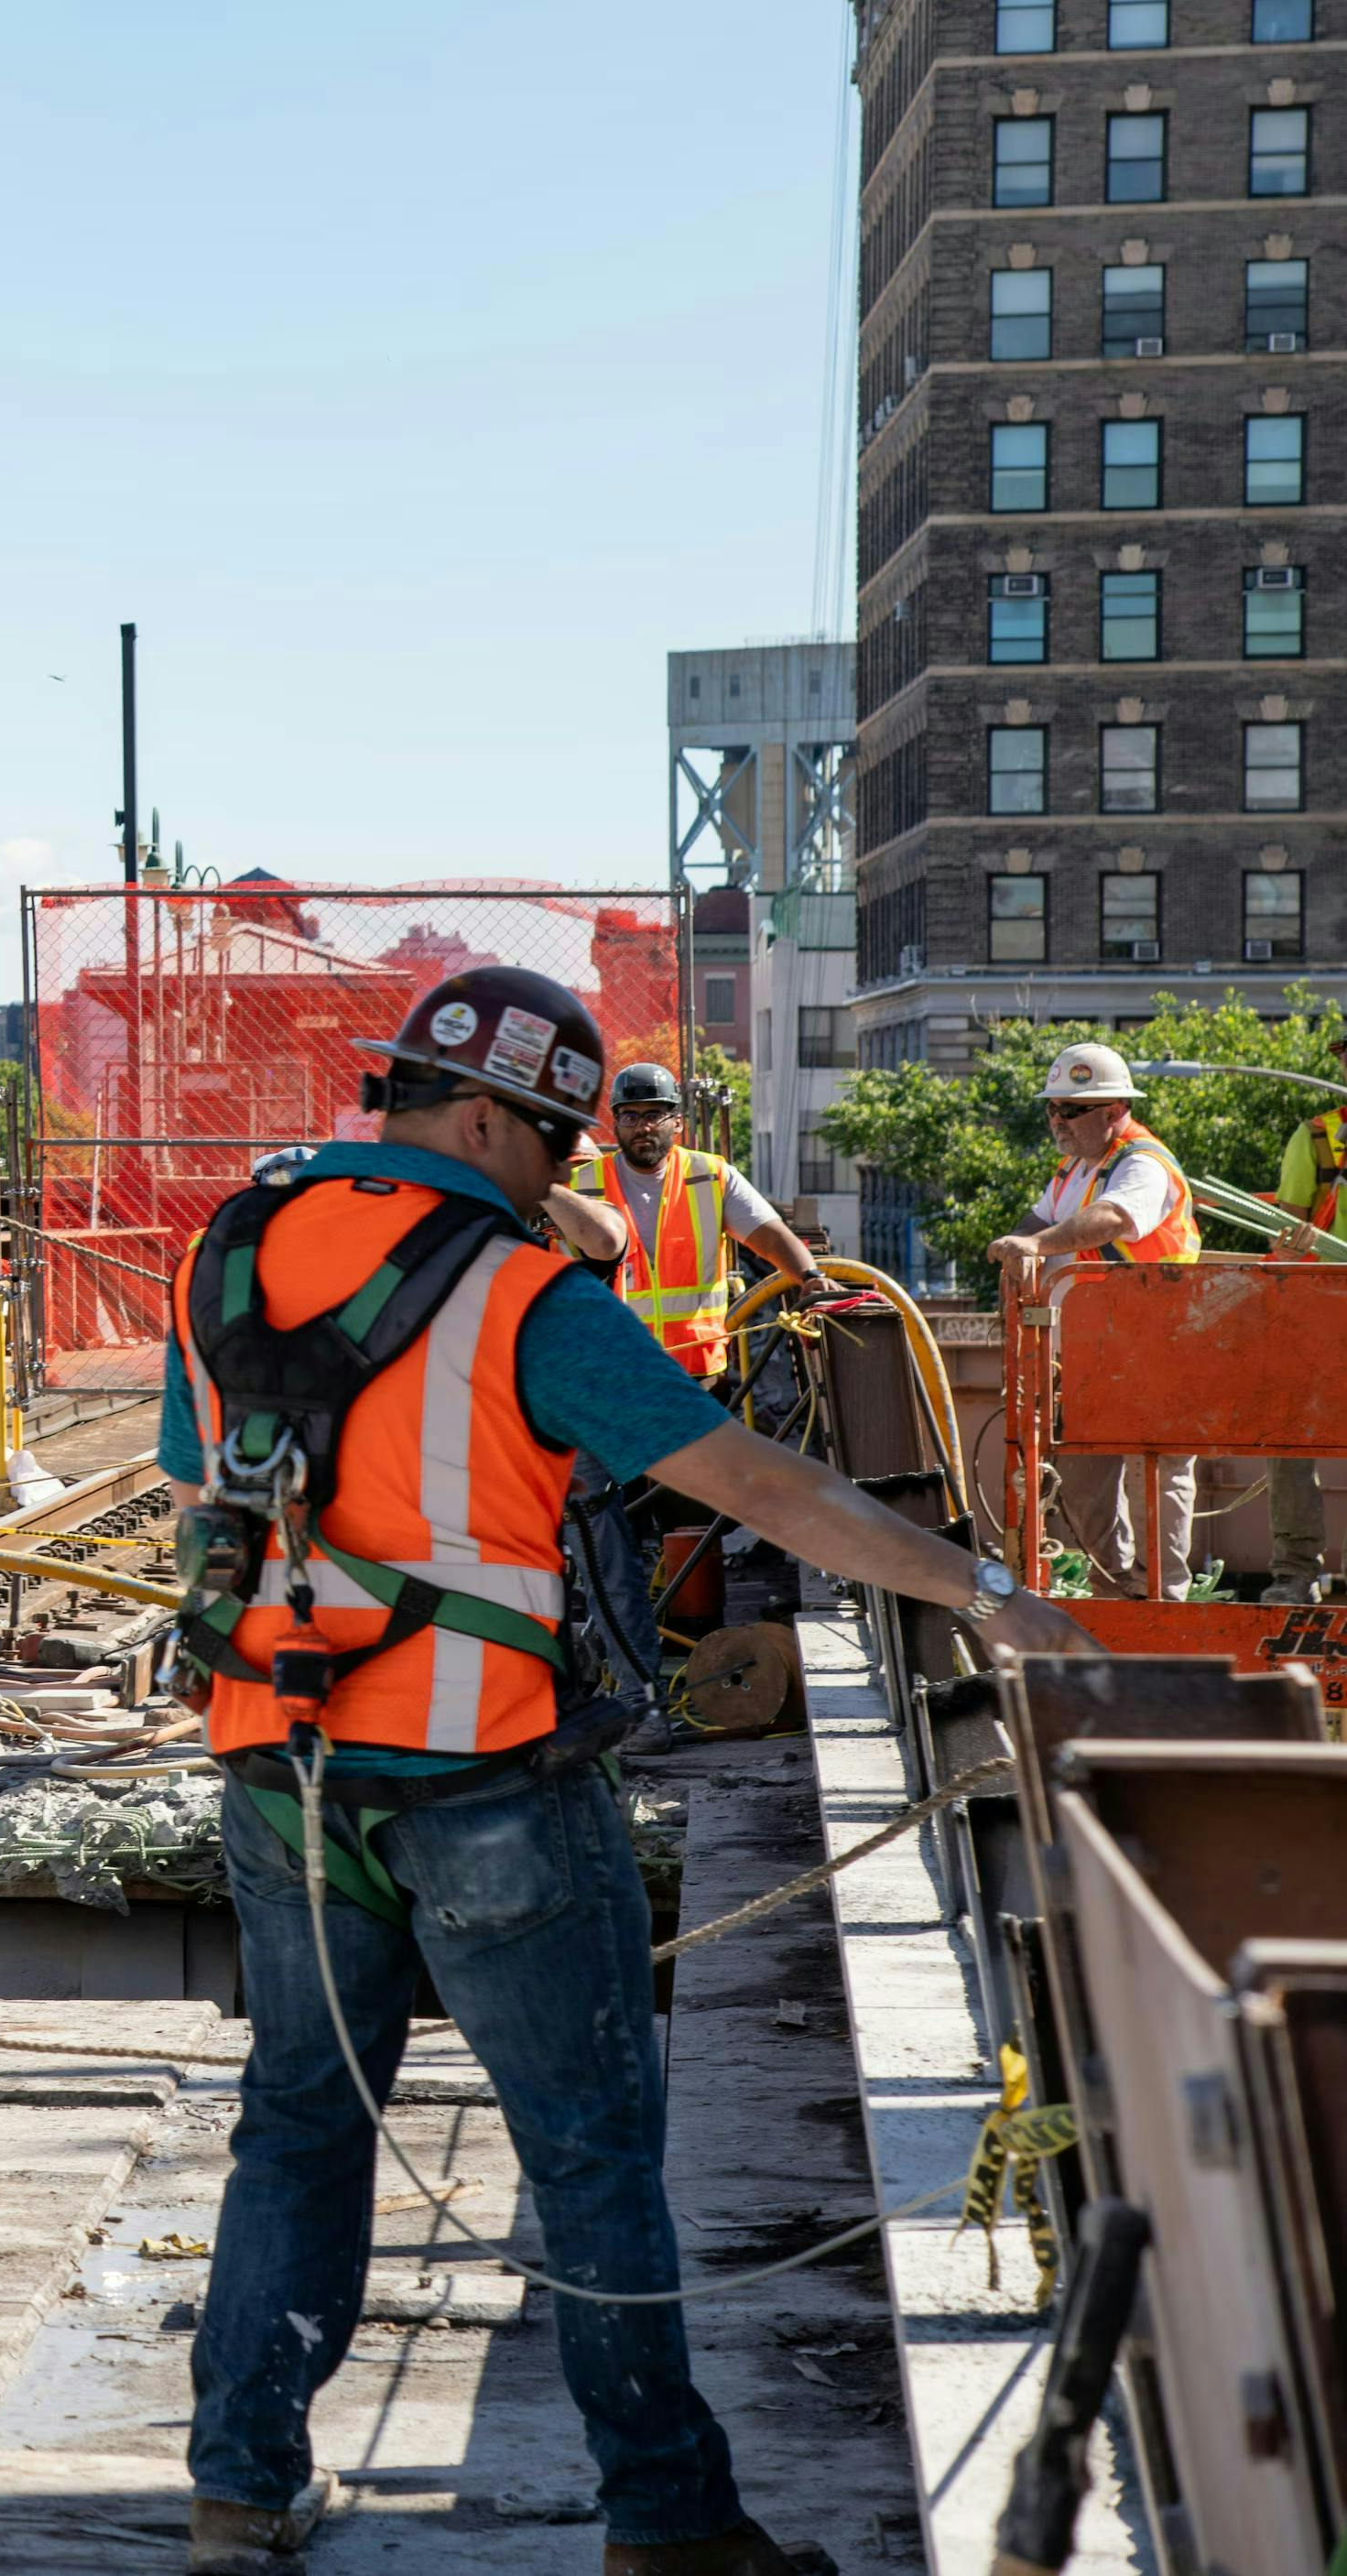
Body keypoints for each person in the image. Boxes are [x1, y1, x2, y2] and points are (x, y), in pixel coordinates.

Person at [164, 968, 1093, 2576]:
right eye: (550, 1144)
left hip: (283, 1758)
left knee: (301, 2123)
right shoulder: (522, 1295)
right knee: (587, 2144)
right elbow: (759, 1483)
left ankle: (240, 2486)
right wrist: (992, 1596)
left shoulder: (231, 1246)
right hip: (485, 1778)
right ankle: (667, 2518)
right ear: (480, 1118)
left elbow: (206, 1479)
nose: (564, 1176)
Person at [984, 1040, 1204, 1595]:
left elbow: (1110, 1220)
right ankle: (1118, 1590)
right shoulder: (1075, 1169)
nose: (1058, 1120)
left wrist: (1031, 1245)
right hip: (1097, 1351)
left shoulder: (1143, 1165)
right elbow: (1034, 1223)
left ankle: (1161, 1598)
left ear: (1114, 1111)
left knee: (1157, 1474)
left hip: (1160, 1346)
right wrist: (1015, 1255)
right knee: (1082, 1480)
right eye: (1053, 1108)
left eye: (1072, 1110)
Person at [551, 1060, 827, 1377]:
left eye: (654, 1114)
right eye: (630, 1116)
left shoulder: (711, 1177)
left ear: (678, 1122)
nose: (643, 1127)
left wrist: (809, 1276)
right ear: (615, 1123)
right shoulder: (580, 1185)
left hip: (695, 1370)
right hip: (610, 1372)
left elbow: (771, 1235)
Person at [1263, 1027, 1347, 1600]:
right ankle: (1296, 1571)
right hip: (1320, 1310)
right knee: (1290, 1432)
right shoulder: (1319, 1139)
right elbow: (1286, 1238)